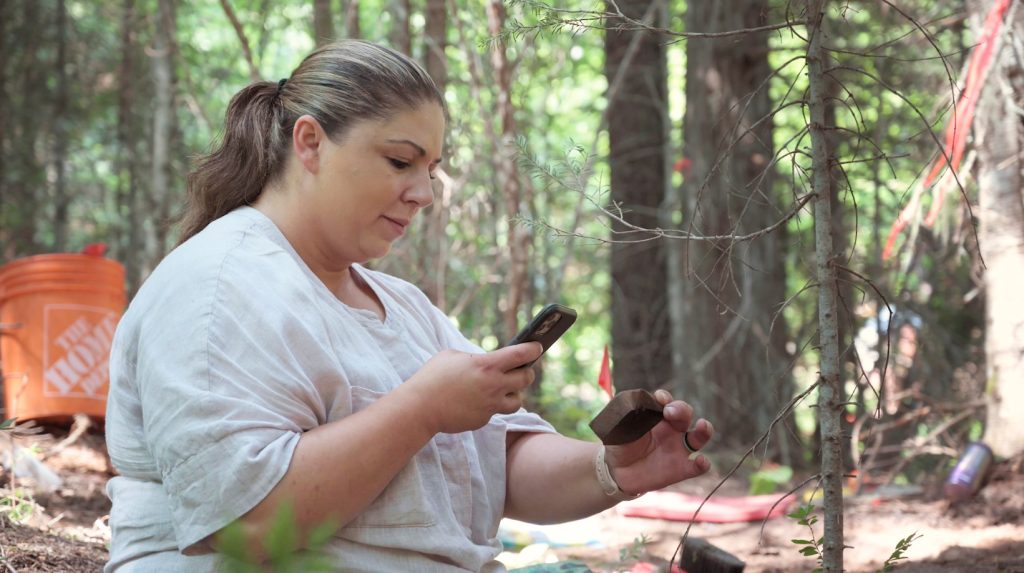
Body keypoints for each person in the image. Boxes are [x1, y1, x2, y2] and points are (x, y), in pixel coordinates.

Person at [103, 40, 715, 573]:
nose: (422, 193)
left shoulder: (402, 305)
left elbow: (498, 459)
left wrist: (613, 469)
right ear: (310, 143)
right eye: (399, 161)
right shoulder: (217, 286)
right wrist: (421, 409)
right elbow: (249, 523)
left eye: (430, 168)